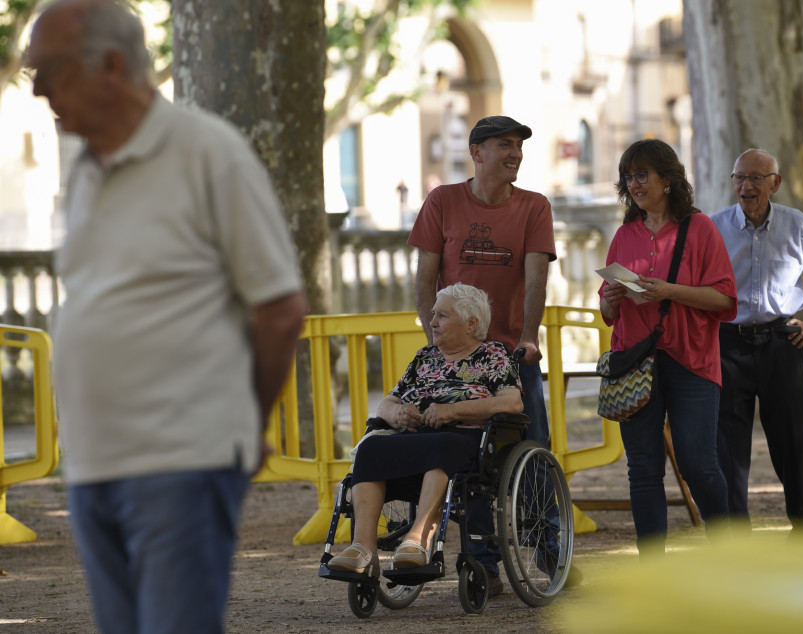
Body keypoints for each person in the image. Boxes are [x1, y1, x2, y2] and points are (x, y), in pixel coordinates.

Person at [28, 2, 307, 632]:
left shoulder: (208, 152)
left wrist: (245, 422)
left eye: (50, 69)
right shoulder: (84, 167)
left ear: (112, 66)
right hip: (93, 461)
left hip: (183, 453)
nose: (39, 89)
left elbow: (279, 309)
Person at [409, 115, 557, 594]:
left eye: (518, 146)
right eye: (504, 145)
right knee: (471, 456)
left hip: (513, 353)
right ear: (477, 152)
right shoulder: (443, 201)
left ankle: (550, 549)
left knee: (532, 447)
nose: (515, 154)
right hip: (458, 357)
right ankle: (483, 562)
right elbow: (424, 278)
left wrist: (529, 337)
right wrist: (437, 343)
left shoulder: (534, 206)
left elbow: (535, 279)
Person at [599, 139, 736, 557]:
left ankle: (728, 550)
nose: (635, 184)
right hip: (634, 362)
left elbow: (725, 300)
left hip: (692, 361)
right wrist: (611, 299)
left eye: (643, 174)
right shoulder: (624, 235)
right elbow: (606, 309)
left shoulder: (700, 228)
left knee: (698, 463)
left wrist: (669, 291)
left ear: (668, 179)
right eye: (629, 177)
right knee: (643, 469)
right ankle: (652, 569)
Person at [327, 283, 523, 575]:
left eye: (442, 315)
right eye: (433, 314)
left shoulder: (493, 355)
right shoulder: (425, 357)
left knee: (442, 446)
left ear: (471, 324)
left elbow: (512, 402)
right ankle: (363, 547)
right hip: (416, 436)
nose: (432, 322)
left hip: (465, 439)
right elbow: (386, 403)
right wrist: (398, 414)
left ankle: (417, 540)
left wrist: (452, 411)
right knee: (370, 447)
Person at [711, 149, 803, 534]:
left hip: (783, 344)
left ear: (775, 183)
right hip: (727, 344)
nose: (745, 186)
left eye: (755, 178)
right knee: (727, 445)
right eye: (739, 178)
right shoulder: (714, 228)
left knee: (794, 441)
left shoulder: (797, 226)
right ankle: (734, 536)